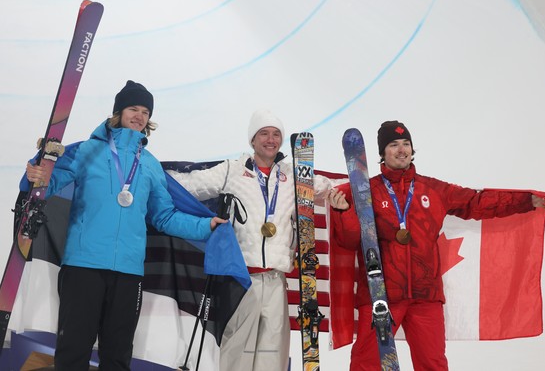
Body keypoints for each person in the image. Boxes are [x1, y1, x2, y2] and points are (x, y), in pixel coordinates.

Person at [25, 80, 227, 371]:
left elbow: (164, 216)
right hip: (84, 266)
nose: (139, 116)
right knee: (73, 350)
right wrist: (36, 172)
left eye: (145, 111)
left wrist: (206, 226)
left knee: (118, 354)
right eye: (133, 108)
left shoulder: (150, 165)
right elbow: (47, 184)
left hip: (129, 272)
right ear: (118, 112)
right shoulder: (87, 151)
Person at [326, 120, 545, 371]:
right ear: (383, 152)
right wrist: (344, 211)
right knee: (366, 363)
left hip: (425, 296)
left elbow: (478, 202)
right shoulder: (366, 191)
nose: (401, 150)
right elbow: (347, 241)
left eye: (406, 144)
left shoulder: (433, 189)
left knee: (432, 364)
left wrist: (525, 201)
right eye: (393, 145)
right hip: (381, 294)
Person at [167, 109, 329, 371]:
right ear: (252, 140)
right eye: (263, 133)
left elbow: (324, 187)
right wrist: (152, 175)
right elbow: (191, 185)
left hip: (276, 280)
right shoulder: (232, 169)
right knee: (238, 353)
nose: (270, 139)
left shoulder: (293, 176)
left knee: (272, 354)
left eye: (276, 134)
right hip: (241, 278)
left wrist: (336, 194)